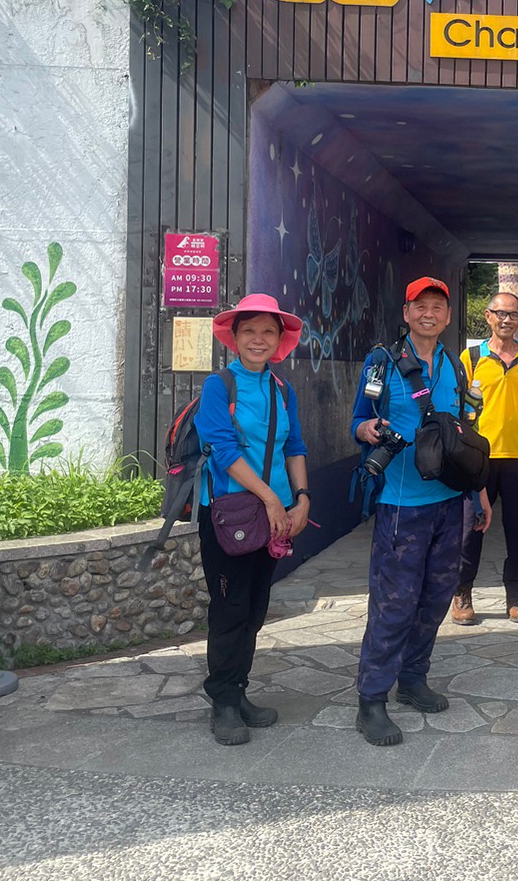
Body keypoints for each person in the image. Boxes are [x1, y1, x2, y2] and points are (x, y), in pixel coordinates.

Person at [350, 276, 483, 746]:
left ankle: (413, 677)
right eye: (420, 305)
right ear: (406, 312)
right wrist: (368, 429)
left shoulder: (454, 365)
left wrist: (477, 492)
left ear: (448, 317)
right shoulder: (383, 362)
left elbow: (464, 430)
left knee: (436, 596)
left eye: (438, 307)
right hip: (401, 503)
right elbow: (357, 420)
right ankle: (372, 698)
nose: (429, 313)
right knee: (394, 602)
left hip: (449, 501)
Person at [196, 294, 311, 746]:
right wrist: (269, 499)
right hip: (231, 516)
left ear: (280, 340)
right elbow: (223, 452)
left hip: (276, 516)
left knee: (255, 611)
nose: (258, 339)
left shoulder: (283, 390)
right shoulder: (219, 387)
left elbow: (294, 447)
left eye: (268, 331)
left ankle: (238, 691)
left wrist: (301, 500)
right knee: (230, 610)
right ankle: (222, 701)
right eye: (249, 331)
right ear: (234, 338)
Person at [453, 291, 518, 624]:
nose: (506, 320)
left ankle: (516, 594)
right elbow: (458, 409)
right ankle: (462, 592)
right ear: (488, 316)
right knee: (470, 527)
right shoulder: (471, 357)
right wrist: (462, 454)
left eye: (513, 315)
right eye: (500, 314)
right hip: (479, 458)